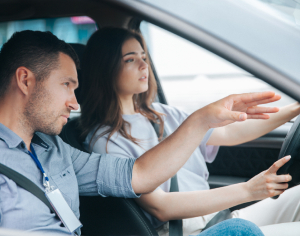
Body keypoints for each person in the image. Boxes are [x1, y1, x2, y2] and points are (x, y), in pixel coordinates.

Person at [0, 30, 270, 236]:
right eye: (66, 85)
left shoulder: (54, 149)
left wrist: (201, 120)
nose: (74, 102)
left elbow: (138, 174)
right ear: (25, 81)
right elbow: (160, 204)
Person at [80, 27, 300, 236]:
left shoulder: (163, 113)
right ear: (105, 68)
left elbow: (230, 134)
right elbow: (160, 207)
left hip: (218, 217)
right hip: (185, 230)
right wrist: (249, 190)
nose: (143, 65)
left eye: (144, 57)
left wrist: (294, 109)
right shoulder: (105, 140)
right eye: (130, 59)